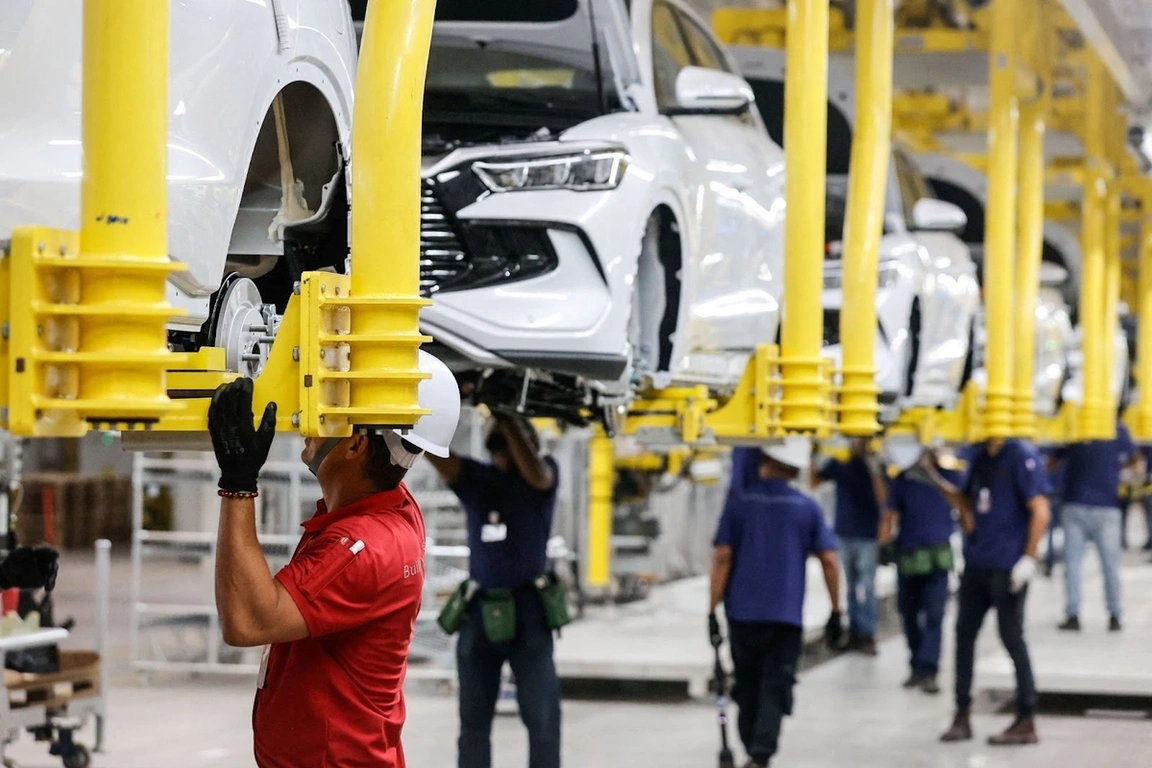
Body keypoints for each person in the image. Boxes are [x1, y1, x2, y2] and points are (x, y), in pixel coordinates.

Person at [208, 351, 461, 768]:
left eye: (330, 411)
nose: (312, 418)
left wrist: (238, 483)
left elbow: (246, 621)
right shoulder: (393, 509)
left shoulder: (360, 547)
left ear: (358, 443)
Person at [425, 413, 562, 768]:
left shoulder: (541, 474)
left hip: (530, 614)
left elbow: (537, 473)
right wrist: (416, 421)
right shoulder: (477, 479)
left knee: (542, 721)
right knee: (473, 724)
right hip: (479, 614)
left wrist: (506, 418)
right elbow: (440, 458)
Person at [710, 440, 842, 768]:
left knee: (747, 686)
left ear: (765, 459)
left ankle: (753, 752)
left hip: (742, 614)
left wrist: (711, 608)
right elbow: (828, 559)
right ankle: (761, 754)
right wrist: (837, 610)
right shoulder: (807, 507)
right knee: (776, 685)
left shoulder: (740, 503)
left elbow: (723, 557)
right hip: (786, 618)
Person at [922, 438, 1050, 746]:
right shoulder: (978, 457)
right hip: (977, 562)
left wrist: (1028, 559)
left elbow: (1040, 510)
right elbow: (968, 504)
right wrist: (933, 478)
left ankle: (1026, 717)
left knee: (1012, 638)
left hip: (1008, 567)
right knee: (963, 637)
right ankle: (962, 714)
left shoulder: (1020, 456)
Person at [879, 444, 960, 695]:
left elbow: (961, 501)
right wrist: (883, 543)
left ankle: (929, 670)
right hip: (909, 555)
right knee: (909, 614)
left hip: (937, 557)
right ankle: (916, 666)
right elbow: (890, 514)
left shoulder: (950, 476)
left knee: (935, 616)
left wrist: (934, 476)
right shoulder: (904, 479)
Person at [1051, 420, 1139, 632]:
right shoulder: (1116, 429)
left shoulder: (1074, 425)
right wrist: (1114, 469)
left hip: (1076, 503)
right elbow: (1136, 459)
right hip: (1106, 506)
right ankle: (1114, 614)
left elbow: (1053, 461)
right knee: (1110, 565)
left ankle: (1073, 614)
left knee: (1073, 565)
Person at [810, 437, 887, 654]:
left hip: (868, 534)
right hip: (845, 532)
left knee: (868, 586)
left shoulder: (876, 465)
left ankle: (868, 632)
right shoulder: (842, 463)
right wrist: (813, 454)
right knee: (852, 586)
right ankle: (854, 631)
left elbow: (884, 499)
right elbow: (814, 481)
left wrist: (873, 470)